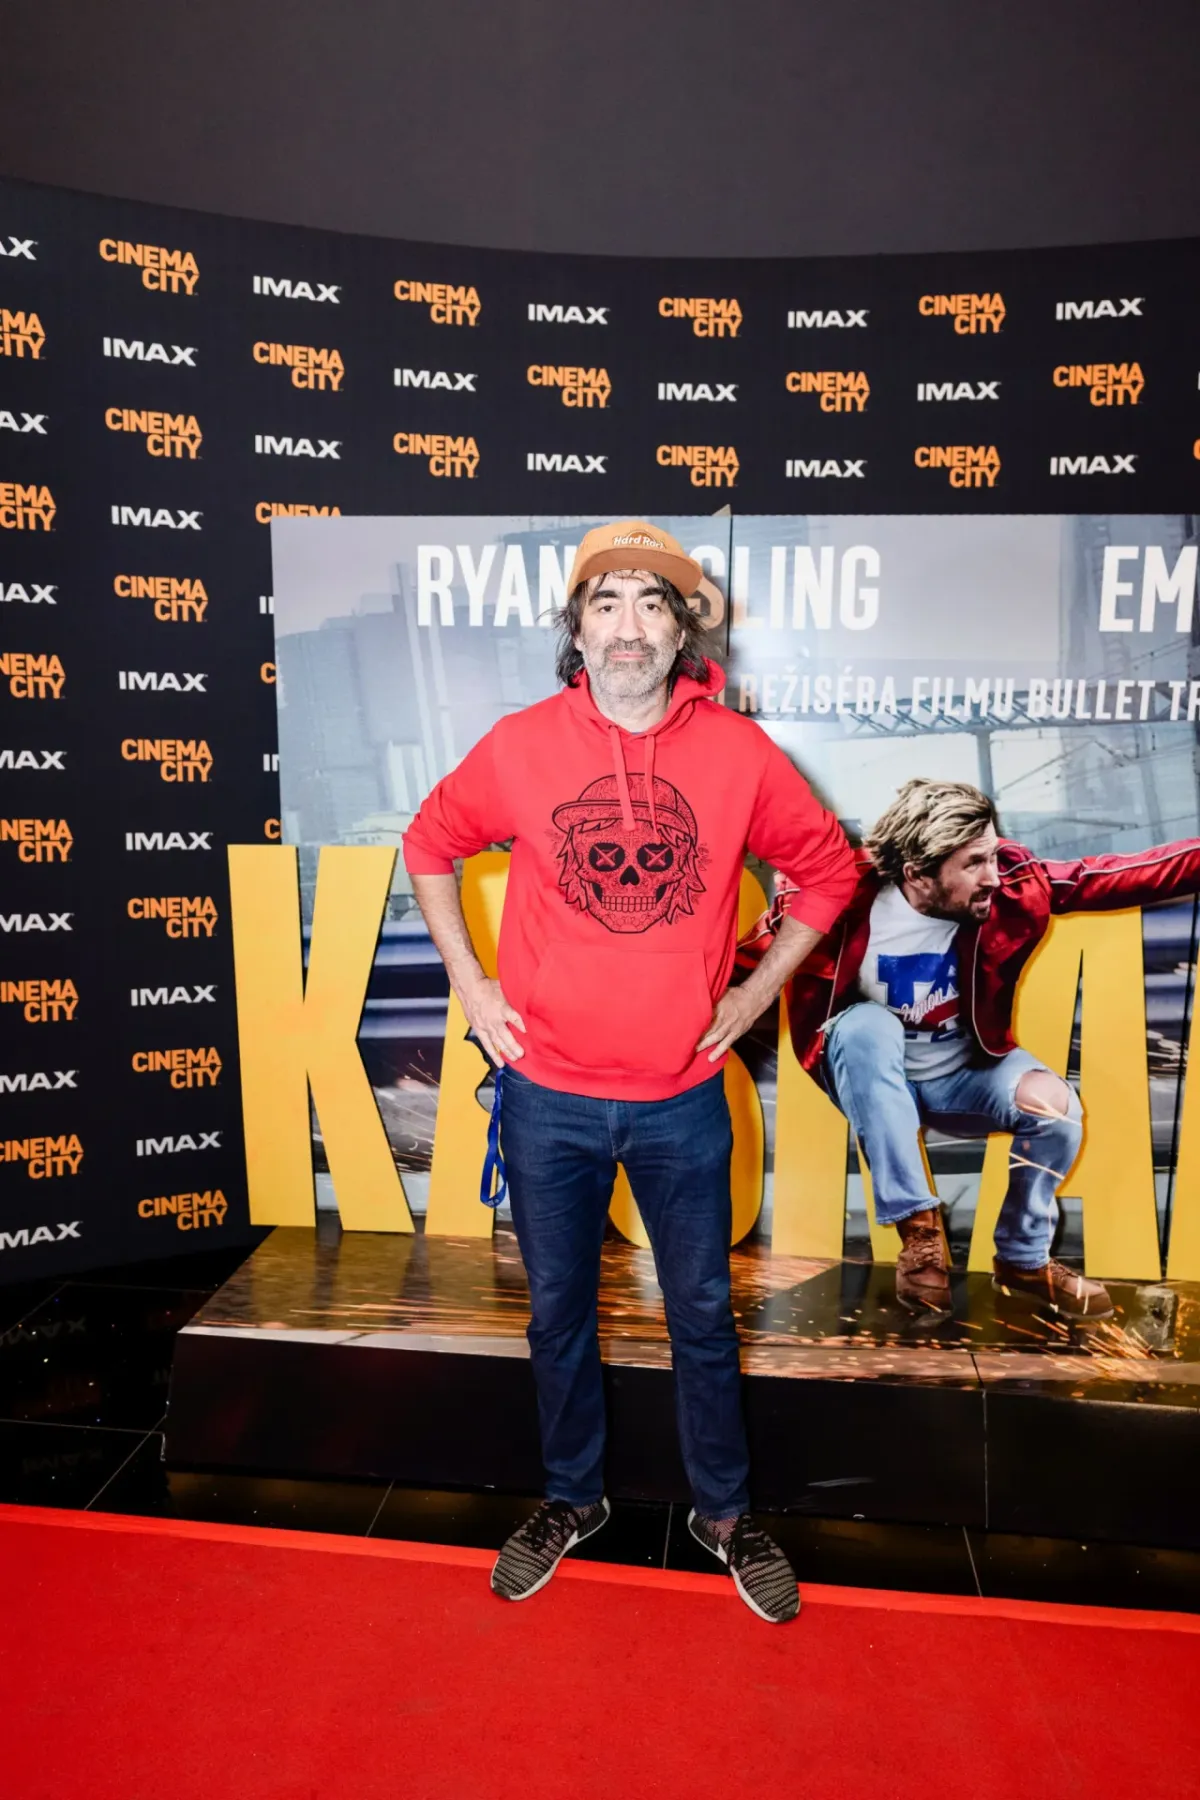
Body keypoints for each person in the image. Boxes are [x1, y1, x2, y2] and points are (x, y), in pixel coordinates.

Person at [403, 519, 856, 1623]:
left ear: (681, 632)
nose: (629, 626)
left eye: (654, 604)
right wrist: (473, 985)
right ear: (577, 629)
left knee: (701, 1315)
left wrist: (755, 993)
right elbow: (428, 844)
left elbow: (829, 871)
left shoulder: (738, 754)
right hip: (546, 1096)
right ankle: (571, 1498)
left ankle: (725, 1515)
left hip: (680, 1103)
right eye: (606, 603)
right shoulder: (521, 744)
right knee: (557, 1313)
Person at [744, 777, 1200, 1316]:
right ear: (918, 873)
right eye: (974, 864)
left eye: (993, 855)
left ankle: (1023, 1259)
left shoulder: (1012, 886)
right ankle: (920, 1236)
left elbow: (1117, 876)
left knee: (1056, 1108)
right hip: (868, 1073)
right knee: (868, 1026)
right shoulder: (839, 895)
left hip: (960, 1076)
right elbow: (745, 961)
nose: (994, 876)